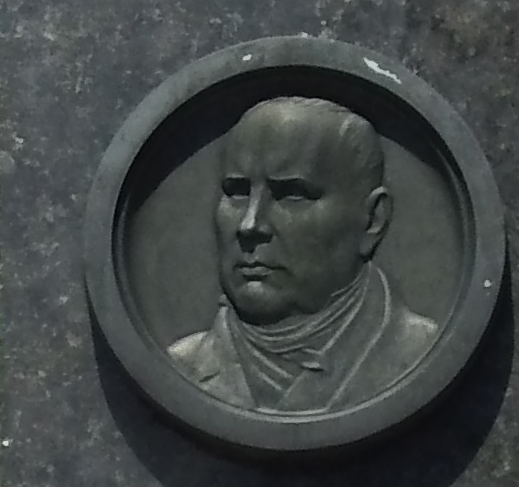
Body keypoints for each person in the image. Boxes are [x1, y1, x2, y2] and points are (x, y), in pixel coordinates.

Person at [167, 92, 441, 418]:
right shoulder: (180, 366)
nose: (249, 225)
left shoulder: (424, 353)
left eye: (293, 195)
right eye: (237, 192)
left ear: (372, 221)